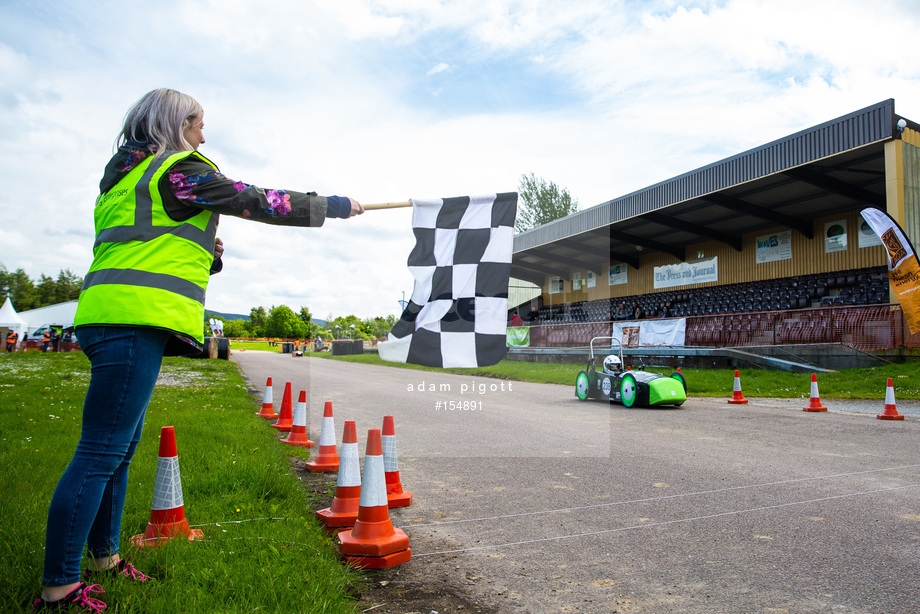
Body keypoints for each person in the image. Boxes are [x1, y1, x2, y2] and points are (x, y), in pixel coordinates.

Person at [34, 88, 364, 612]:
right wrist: (335, 206)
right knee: (100, 453)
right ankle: (59, 588)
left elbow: (149, 244)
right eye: (199, 124)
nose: (204, 136)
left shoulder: (124, 178)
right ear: (177, 123)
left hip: (109, 315)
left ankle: (104, 560)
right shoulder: (179, 170)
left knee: (117, 451)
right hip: (132, 319)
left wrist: (206, 254)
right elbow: (255, 198)